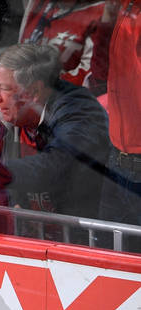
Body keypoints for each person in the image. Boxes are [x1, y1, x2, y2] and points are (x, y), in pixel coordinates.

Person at [0, 43, 109, 226]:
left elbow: (60, 164)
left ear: (34, 91)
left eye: (4, 88)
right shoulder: (10, 114)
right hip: (42, 231)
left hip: (83, 233)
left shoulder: (79, 109)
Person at [89, 0, 140, 234]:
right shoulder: (127, 7)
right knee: (106, 245)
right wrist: (108, 19)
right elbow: (101, 71)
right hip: (117, 155)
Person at [19, 0, 106, 87]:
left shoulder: (102, 13)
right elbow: (19, 54)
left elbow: (90, 78)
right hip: (25, 88)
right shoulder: (38, 4)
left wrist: (46, 87)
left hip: (58, 92)